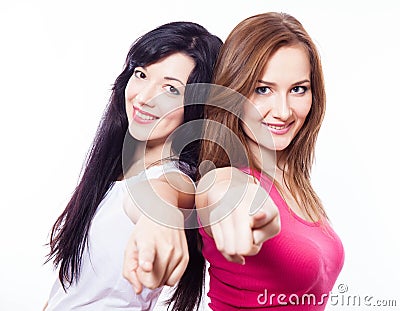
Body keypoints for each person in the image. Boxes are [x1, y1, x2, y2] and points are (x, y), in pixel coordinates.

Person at [44, 21, 222, 311]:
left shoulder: (172, 177)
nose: (143, 97)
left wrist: (161, 218)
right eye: (141, 74)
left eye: (170, 89)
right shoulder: (118, 168)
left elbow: (162, 195)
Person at [196, 12, 344, 310]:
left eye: (298, 89)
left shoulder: (292, 178)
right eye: (263, 89)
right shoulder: (227, 177)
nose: (283, 111)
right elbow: (224, 189)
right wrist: (231, 200)